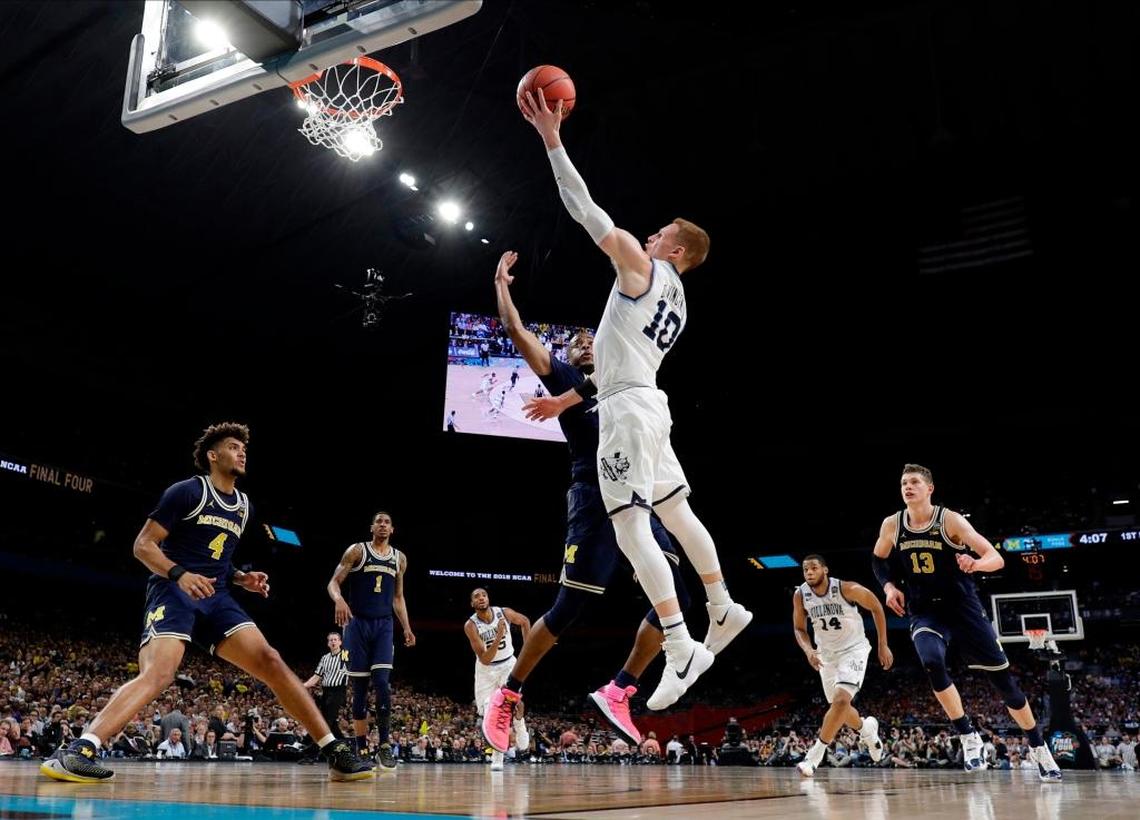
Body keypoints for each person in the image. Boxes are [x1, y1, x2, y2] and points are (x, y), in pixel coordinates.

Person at [517, 89, 751, 709]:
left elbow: (583, 207)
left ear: (676, 250)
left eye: (660, 233)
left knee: (631, 527)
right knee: (676, 511)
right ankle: (722, 605)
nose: (648, 234)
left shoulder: (643, 271)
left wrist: (551, 138)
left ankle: (679, 641)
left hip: (625, 407)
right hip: (652, 404)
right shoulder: (677, 294)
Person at [40, 423, 373, 783]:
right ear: (213, 456)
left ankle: (333, 750)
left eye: (244, 448)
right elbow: (143, 545)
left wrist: (240, 578)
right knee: (161, 673)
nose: (242, 452)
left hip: (216, 597)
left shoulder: (243, 506)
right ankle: (78, 751)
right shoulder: (187, 491)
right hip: (174, 591)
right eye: (233, 446)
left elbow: (217, 559)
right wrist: (180, 574)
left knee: (272, 661)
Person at [482, 250, 694, 753]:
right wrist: (501, 286)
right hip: (593, 498)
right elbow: (517, 332)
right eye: (576, 342)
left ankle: (620, 688)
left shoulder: (627, 377)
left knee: (679, 602)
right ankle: (509, 693)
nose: (584, 344)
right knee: (570, 604)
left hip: (636, 498)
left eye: (589, 339)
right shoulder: (568, 381)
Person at [871, 463, 1061, 782]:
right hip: (924, 610)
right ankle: (968, 736)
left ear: (929, 488)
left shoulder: (950, 520)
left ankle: (1039, 747)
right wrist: (889, 586)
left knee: (1006, 686)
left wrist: (976, 563)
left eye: (915, 481)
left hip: (963, 608)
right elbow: (878, 559)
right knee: (931, 661)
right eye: (904, 482)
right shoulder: (892, 524)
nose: (908, 486)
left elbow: (995, 557)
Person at [327, 511, 415, 772]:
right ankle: (362, 747)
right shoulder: (357, 551)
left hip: (384, 625)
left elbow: (398, 597)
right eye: (379, 521)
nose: (383, 525)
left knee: (382, 684)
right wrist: (339, 599)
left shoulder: (399, 558)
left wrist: (407, 627)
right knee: (360, 689)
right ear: (371, 527)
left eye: (388, 522)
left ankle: (385, 746)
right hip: (357, 624)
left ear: (393, 529)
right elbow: (333, 583)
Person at [792, 553, 892, 777]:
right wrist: (809, 650)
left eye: (814, 568)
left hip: (853, 650)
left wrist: (882, 644)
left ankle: (814, 757)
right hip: (826, 656)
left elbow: (876, 606)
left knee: (839, 702)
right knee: (840, 709)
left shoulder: (847, 589)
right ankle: (866, 729)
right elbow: (799, 628)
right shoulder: (801, 595)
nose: (809, 572)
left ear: (825, 570)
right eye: (805, 569)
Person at [463, 588, 531, 770]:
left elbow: (524, 621)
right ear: (472, 604)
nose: (481, 598)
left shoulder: (504, 612)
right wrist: (500, 634)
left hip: (508, 664)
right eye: (476, 596)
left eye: (484, 595)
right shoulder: (470, 625)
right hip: (486, 670)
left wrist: (527, 651)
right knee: (489, 713)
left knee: (510, 705)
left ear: (488, 598)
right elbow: (485, 658)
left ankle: (519, 729)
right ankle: (498, 752)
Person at [304, 632, 350, 738]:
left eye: (335, 640)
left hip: (338, 691)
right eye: (331, 640)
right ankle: (343, 743)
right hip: (326, 691)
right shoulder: (325, 658)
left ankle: (311, 743)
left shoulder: (344, 654)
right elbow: (316, 677)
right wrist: (303, 685)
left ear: (340, 642)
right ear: (328, 643)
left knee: (326, 720)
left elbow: (347, 667)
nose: (333, 642)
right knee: (331, 722)